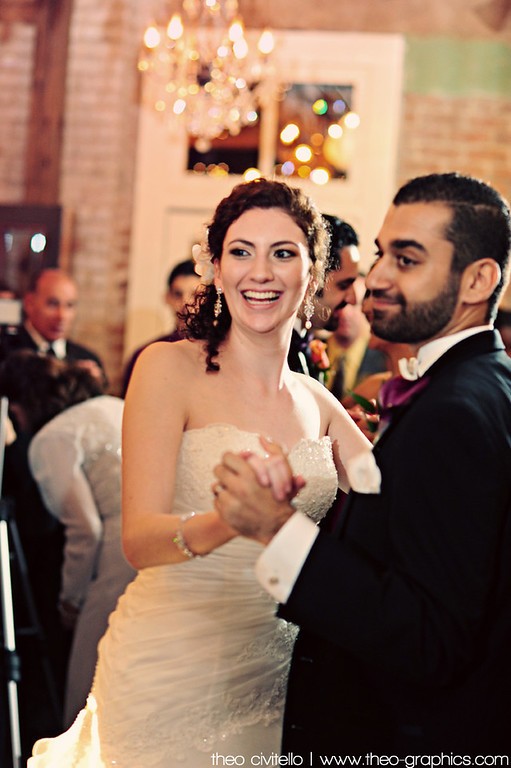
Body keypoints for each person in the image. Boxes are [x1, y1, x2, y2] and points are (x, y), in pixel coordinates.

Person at [27, 178, 374, 767]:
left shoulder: (318, 401)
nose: (259, 272)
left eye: (283, 253)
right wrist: (232, 519)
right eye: (241, 251)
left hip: (280, 673)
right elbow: (138, 540)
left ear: (313, 275)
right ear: (214, 267)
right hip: (173, 665)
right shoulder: (167, 368)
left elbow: (390, 493)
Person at [213, 172, 511, 759]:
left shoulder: (454, 411)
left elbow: (430, 638)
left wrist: (278, 529)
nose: (376, 278)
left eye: (407, 259)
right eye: (382, 254)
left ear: (478, 280)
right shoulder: (483, 385)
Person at [0, 351, 136, 732]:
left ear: (21, 404)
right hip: (161, 538)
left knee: (85, 685)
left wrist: (70, 599)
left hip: (116, 556)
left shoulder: (51, 438)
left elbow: (85, 530)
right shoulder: (112, 405)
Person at [122, 258, 200, 395]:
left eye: (195, 295)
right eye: (178, 294)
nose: (186, 303)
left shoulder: (221, 351)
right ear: (167, 297)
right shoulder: (145, 354)